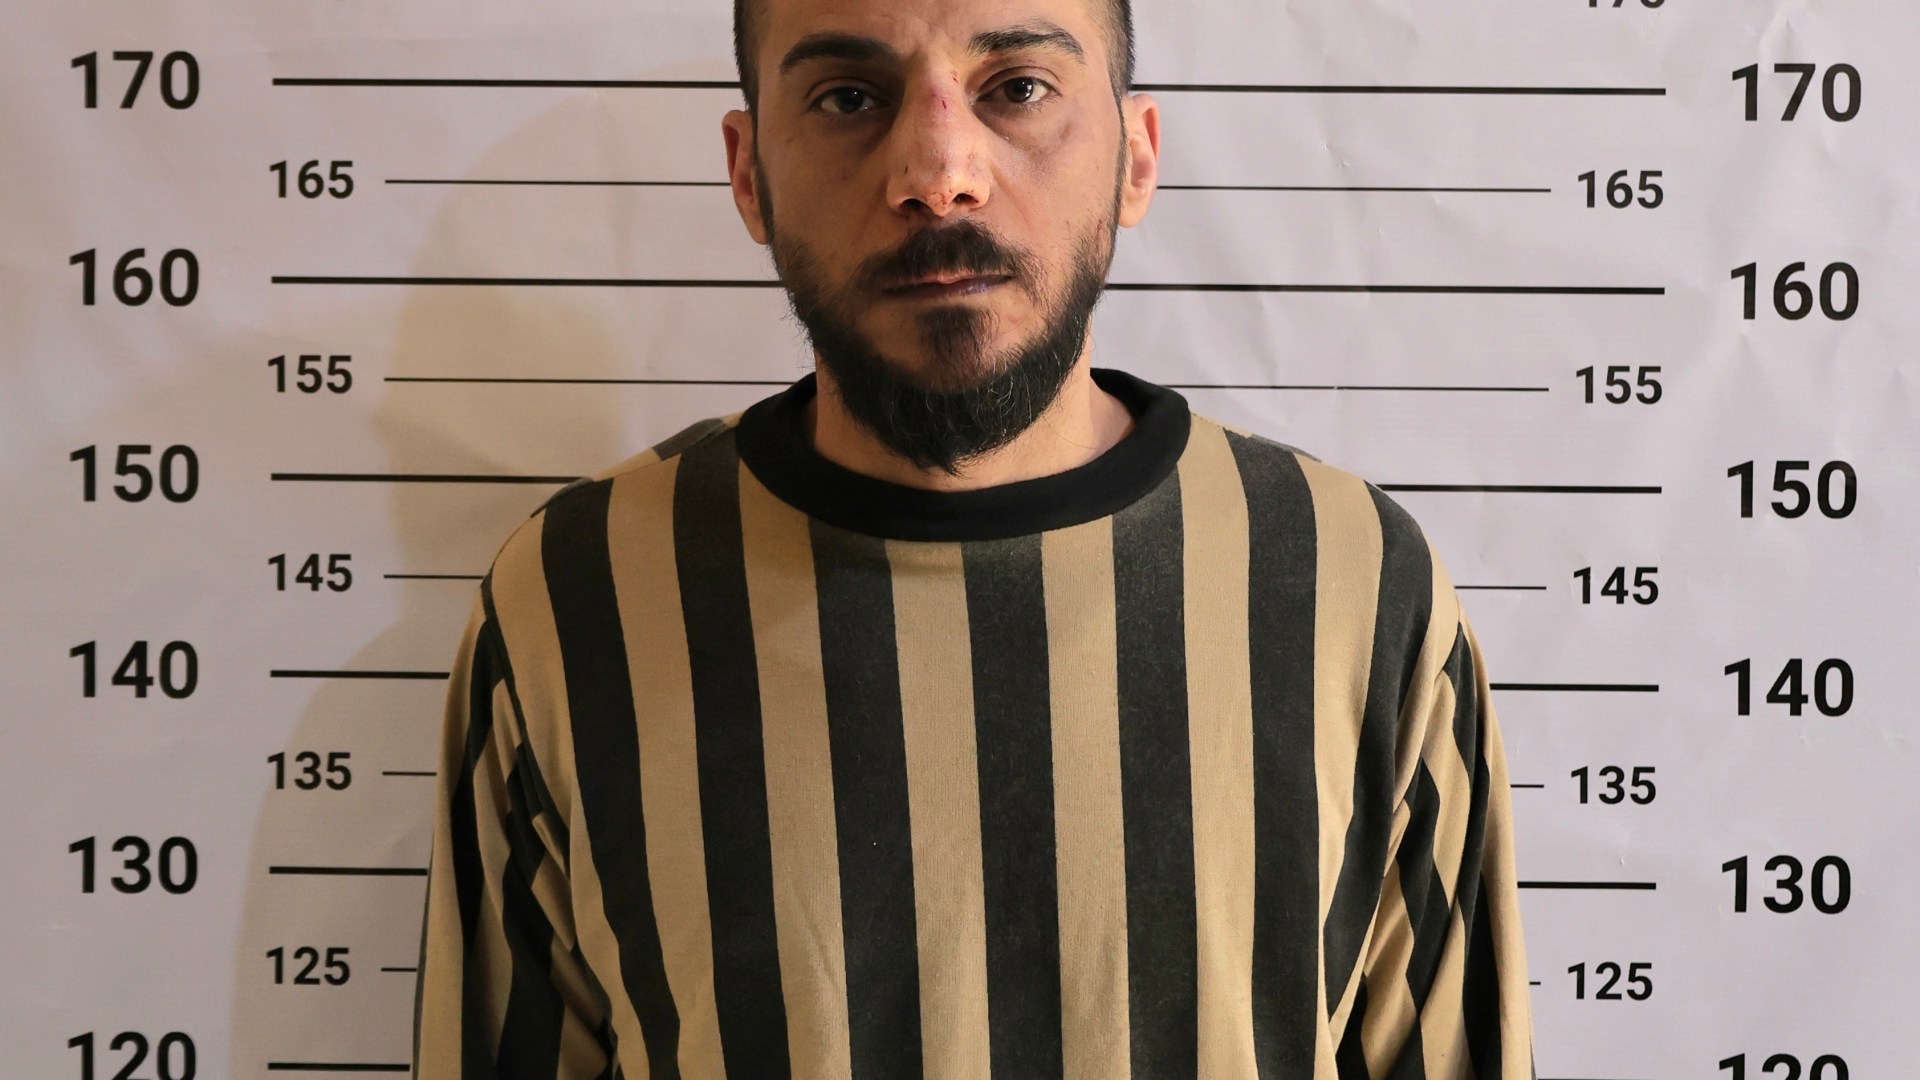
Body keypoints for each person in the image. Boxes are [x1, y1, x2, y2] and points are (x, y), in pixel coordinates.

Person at [411, 0, 1537, 1075]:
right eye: (850, 97)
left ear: (1136, 157)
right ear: (749, 175)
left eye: (1020, 88)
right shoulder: (576, 600)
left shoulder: (1351, 586)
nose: (939, 173)